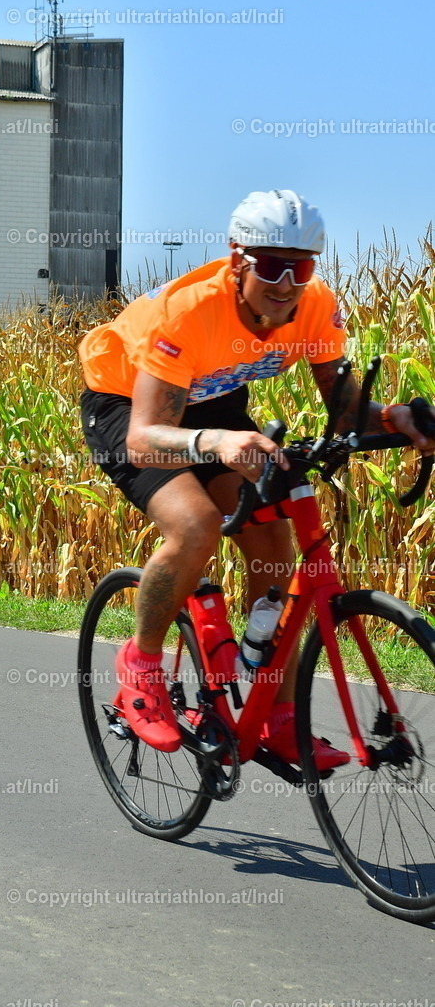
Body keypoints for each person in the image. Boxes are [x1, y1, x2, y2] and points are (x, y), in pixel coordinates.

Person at [78, 188, 435, 766]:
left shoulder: (314, 307)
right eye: (272, 266)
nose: (286, 282)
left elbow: (344, 411)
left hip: (212, 400)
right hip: (127, 404)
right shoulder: (190, 311)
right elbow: (145, 437)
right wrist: (216, 443)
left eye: (301, 267)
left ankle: (276, 714)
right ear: (238, 259)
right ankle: (140, 664)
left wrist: (395, 417)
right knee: (195, 526)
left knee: (273, 540)